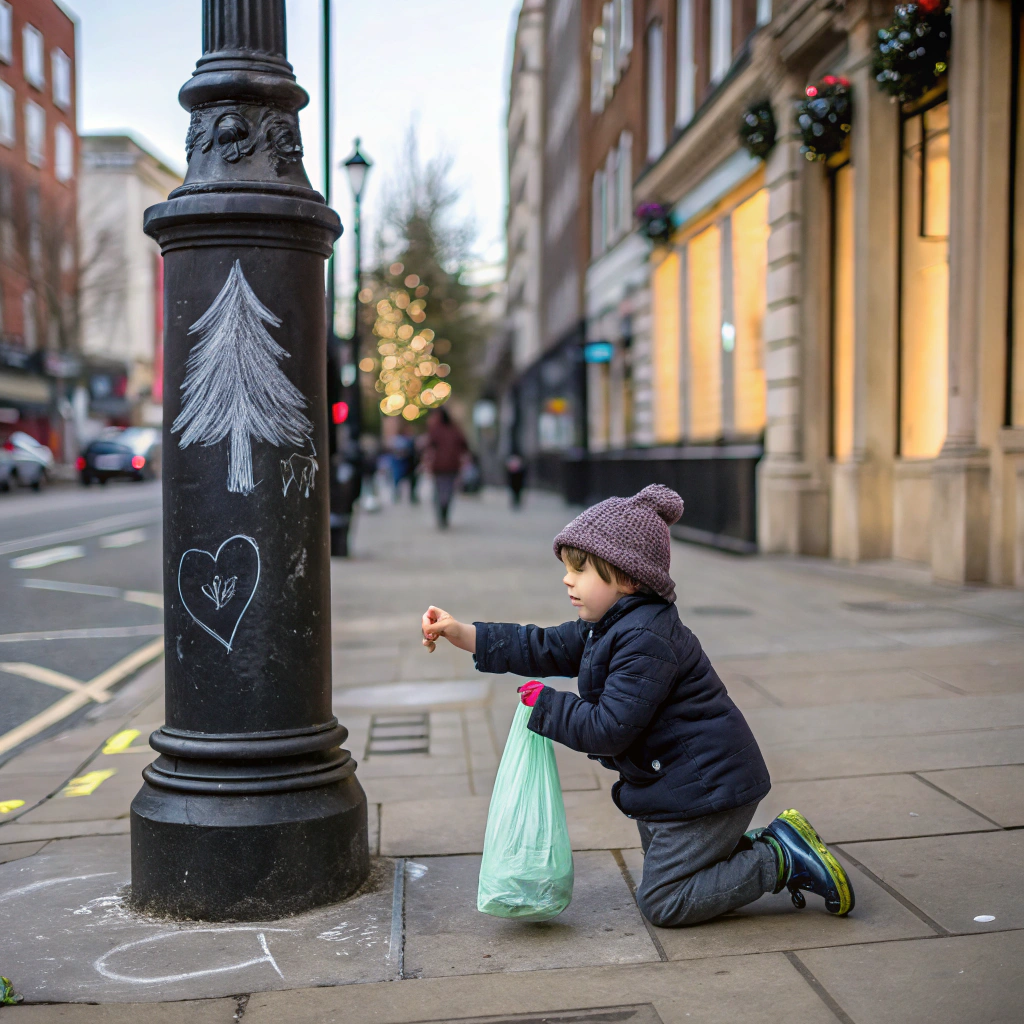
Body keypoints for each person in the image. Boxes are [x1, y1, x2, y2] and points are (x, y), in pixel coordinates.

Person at [420, 484, 854, 927]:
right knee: (670, 869)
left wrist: (547, 706)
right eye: (568, 567)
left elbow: (610, 727)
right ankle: (757, 848)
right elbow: (543, 645)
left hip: (708, 790)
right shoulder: (608, 624)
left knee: (664, 901)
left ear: (628, 577)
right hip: (674, 787)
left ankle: (778, 858)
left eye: (581, 569)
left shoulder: (646, 639)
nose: (567, 578)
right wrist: (465, 633)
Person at [424, 407, 468, 529]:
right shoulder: (455, 429)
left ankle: (441, 514)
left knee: (439, 491)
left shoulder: (435, 430)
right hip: (452, 465)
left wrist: (427, 462)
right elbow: (465, 445)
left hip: (439, 466)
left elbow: (429, 448)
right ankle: (444, 513)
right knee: (448, 490)